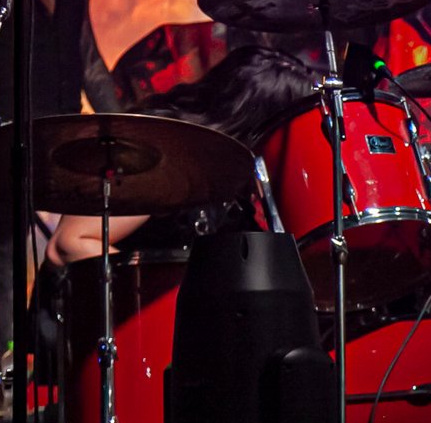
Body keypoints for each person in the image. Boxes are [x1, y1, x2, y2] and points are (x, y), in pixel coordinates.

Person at [45, 46, 316, 265]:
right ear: (255, 122)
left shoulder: (239, 181)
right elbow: (71, 243)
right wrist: (177, 298)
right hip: (104, 314)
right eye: (288, 130)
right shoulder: (161, 150)